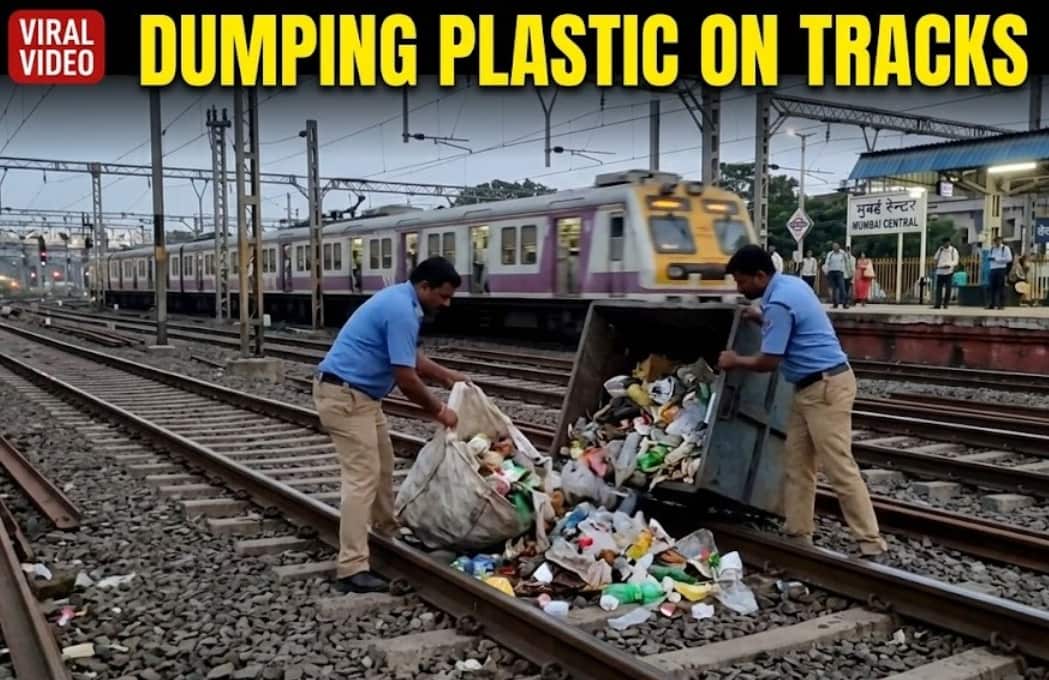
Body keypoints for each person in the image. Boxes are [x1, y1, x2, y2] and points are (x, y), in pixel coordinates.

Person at [718, 245, 888, 559]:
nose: (739, 289)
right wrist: (759, 316)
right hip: (808, 387)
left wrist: (735, 360)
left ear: (760, 275)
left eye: (742, 282)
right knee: (797, 462)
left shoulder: (779, 300)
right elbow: (783, 327)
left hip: (825, 387)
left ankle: (870, 541)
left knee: (839, 467)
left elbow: (769, 361)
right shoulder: (788, 285)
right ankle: (798, 533)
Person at [313, 256, 469, 594]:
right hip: (345, 397)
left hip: (361, 397)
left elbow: (407, 355)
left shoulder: (402, 300)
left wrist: (445, 376)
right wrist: (440, 410)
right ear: (424, 287)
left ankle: (386, 532)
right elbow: (406, 378)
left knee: (383, 465)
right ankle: (351, 567)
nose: (446, 303)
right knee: (362, 478)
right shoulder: (401, 309)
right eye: (442, 296)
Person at [931, 237, 959, 309]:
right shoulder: (940, 249)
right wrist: (935, 266)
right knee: (938, 289)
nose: (946, 244)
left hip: (948, 272)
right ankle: (937, 304)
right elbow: (935, 258)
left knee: (948, 289)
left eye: (947, 243)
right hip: (940, 272)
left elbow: (956, 261)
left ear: (949, 242)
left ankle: (946, 304)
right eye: (944, 243)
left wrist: (949, 265)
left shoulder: (953, 250)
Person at [986, 236, 1013, 310]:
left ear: (1001, 241)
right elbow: (989, 257)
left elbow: (1009, 259)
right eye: (995, 241)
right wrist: (990, 258)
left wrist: (998, 259)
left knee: (1000, 287)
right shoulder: (992, 249)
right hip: (993, 269)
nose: (997, 243)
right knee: (991, 287)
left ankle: (1001, 304)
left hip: (1001, 269)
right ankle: (992, 304)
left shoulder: (1005, 248)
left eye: (998, 241)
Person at [823, 243, 849, 308]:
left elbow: (847, 261)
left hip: (840, 272)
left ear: (839, 247)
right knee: (834, 289)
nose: (835, 247)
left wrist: (847, 271)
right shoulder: (830, 254)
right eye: (834, 246)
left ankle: (845, 303)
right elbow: (826, 263)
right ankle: (835, 304)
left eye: (836, 246)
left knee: (842, 288)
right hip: (831, 272)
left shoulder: (842, 253)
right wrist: (826, 271)